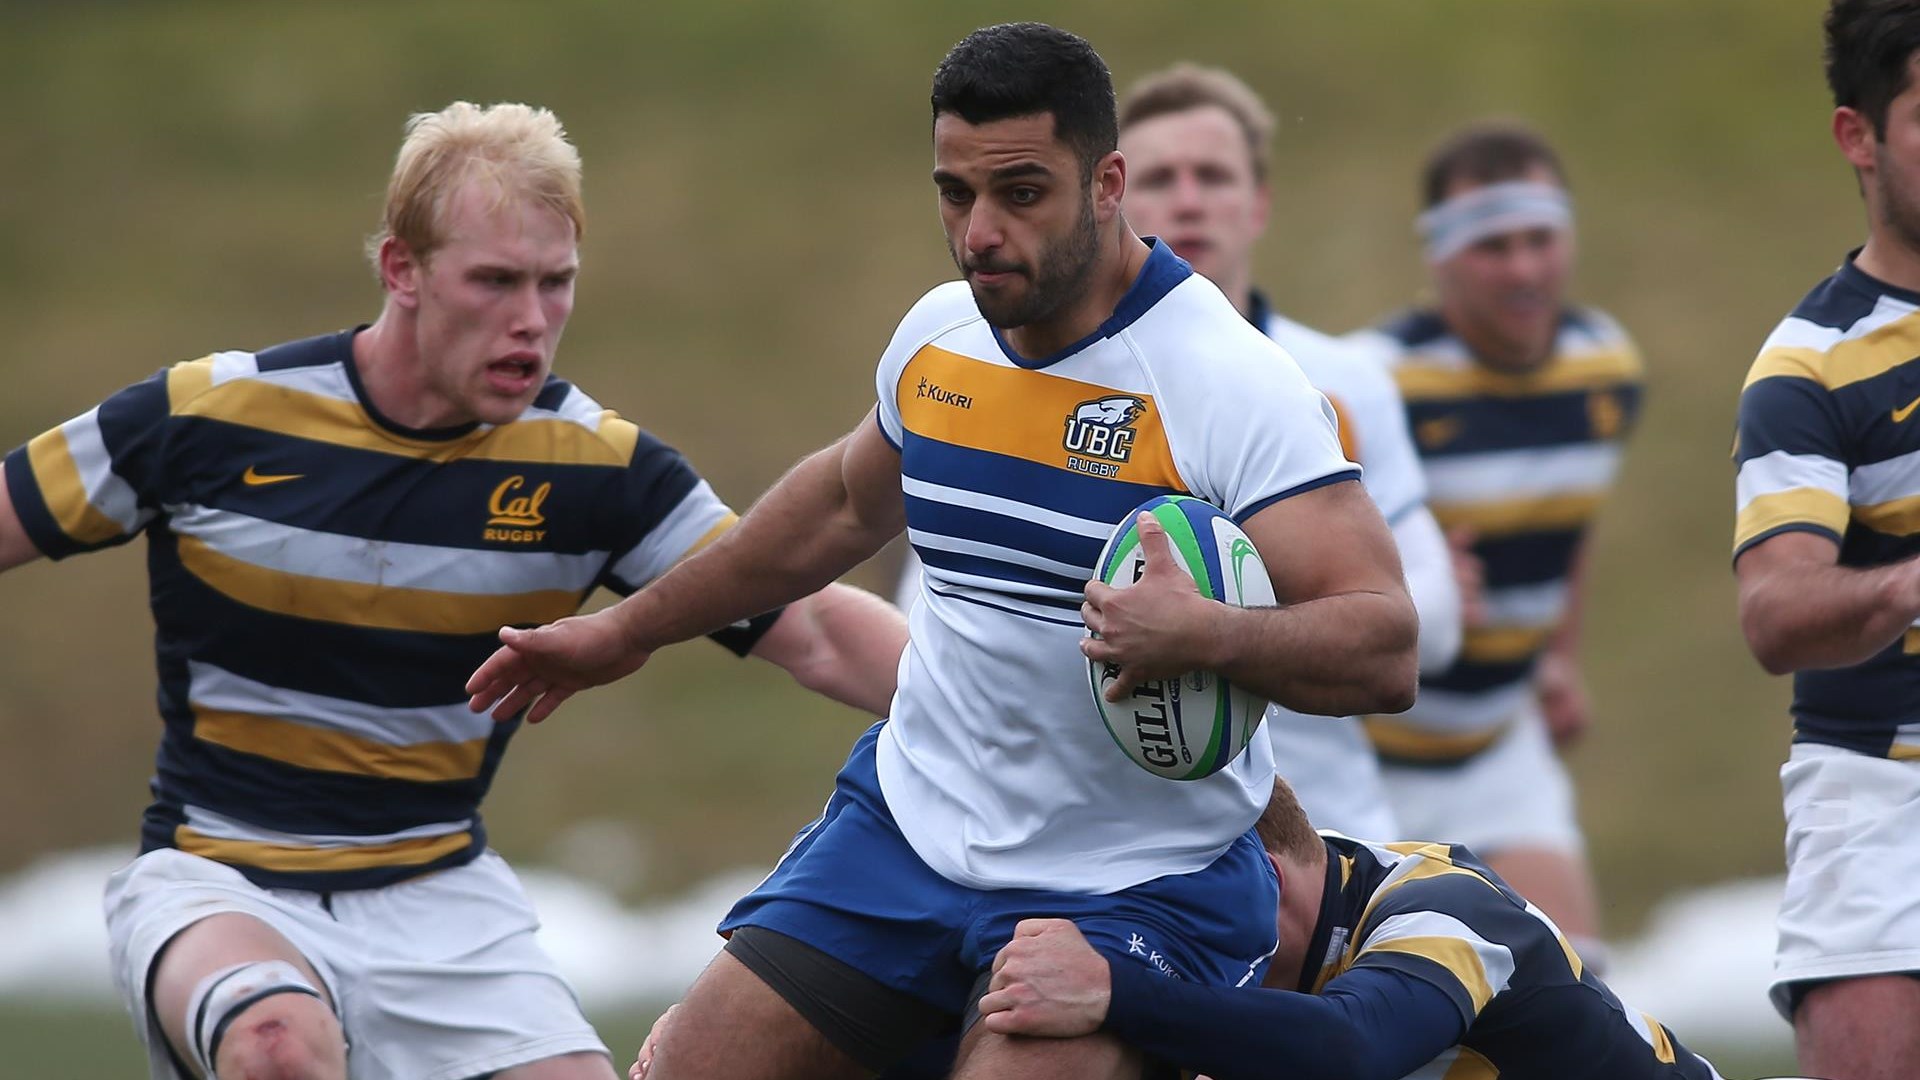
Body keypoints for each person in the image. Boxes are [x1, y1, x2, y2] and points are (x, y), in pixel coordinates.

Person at [467, 22, 1418, 1080]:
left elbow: (1385, 644)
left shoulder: (1228, 384)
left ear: (1108, 184)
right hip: (905, 837)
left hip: (1133, 886)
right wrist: (624, 633)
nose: (979, 234)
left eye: (1020, 193)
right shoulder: (940, 340)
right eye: (955, 194)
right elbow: (834, 509)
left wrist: (1205, 634)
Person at [0, 101, 906, 1080]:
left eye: (556, 284)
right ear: (403, 270)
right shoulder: (210, 418)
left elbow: (812, 629)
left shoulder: (597, 471)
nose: (531, 319)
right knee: (275, 1046)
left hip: (440, 894)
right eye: (495, 282)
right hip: (219, 879)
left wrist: (1033, 708)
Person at [1112, 62, 1468, 840]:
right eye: (1160, 177)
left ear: (1260, 203)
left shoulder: (1344, 384)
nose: (1190, 198)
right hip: (1129, 826)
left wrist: (1208, 611)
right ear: (1110, 198)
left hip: (1327, 824)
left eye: (1214, 174)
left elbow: (1429, 627)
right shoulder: (1063, 384)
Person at [1346, 121, 1642, 960]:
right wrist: (1404, 576)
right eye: (1492, 246)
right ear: (1437, 256)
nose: (1523, 269)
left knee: (1577, 987)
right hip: (1370, 760)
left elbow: (1568, 530)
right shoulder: (1372, 382)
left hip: (1497, 748)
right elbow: (1288, 547)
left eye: (1540, 239)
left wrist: (1558, 659)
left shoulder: (1607, 370)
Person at [964, 777, 1722, 1080]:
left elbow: (1349, 1048)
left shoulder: (1444, 910)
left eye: (1171, 908)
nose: (1162, 938)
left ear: (1257, 871)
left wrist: (1109, 990)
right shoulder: (1286, 969)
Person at [1733, 2, 1920, 1075]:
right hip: (1882, 793)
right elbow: (1775, 614)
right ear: (1860, 137)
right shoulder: (1810, 370)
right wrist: (1907, 587)